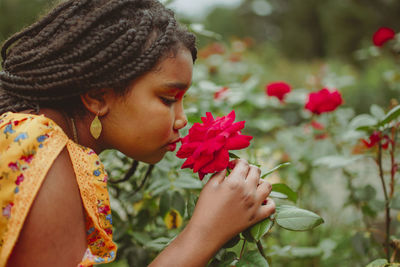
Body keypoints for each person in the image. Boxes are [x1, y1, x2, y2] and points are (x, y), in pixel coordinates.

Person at [0, 0, 276, 266]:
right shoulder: (42, 152)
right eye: (168, 99)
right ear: (97, 96)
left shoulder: (38, 137)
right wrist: (204, 234)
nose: (181, 120)